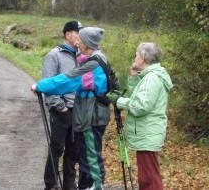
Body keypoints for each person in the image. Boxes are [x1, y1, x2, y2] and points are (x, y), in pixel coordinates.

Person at [32, 27, 109, 190]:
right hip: (92, 116)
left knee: (90, 164)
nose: (77, 42)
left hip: (90, 118)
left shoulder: (92, 65)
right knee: (89, 160)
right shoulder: (97, 58)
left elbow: (67, 81)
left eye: (80, 40)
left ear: (87, 44)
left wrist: (40, 85)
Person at [107, 42, 173, 190]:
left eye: (137, 55)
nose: (135, 58)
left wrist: (119, 101)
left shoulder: (151, 79)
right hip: (147, 132)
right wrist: (134, 78)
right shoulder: (149, 76)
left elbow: (140, 106)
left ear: (143, 57)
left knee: (149, 180)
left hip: (148, 133)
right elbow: (140, 96)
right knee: (147, 177)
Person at [42, 21, 83, 190]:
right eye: (78, 33)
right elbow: (48, 83)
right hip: (61, 109)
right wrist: (59, 105)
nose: (81, 36)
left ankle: (69, 184)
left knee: (74, 149)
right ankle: (50, 184)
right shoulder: (54, 55)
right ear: (68, 35)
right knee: (57, 147)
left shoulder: (82, 55)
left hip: (78, 109)